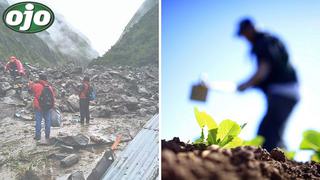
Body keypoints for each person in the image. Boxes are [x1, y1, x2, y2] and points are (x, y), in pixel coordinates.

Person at [236, 18, 299, 151]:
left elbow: (262, 72)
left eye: (244, 34)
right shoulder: (269, 40)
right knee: (274, 131)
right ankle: (283, 159)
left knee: (266, 134)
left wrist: (245, 85)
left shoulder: (262, 43)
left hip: (282, 93)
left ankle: (273, 165)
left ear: (249, 29)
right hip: (288, 92)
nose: (245, 38)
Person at [29, 74, 55, 141]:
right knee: (48, 121)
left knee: (38, 121)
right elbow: (53, 98)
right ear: (46, 79)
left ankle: (38, 137)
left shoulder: (36, 85)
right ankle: (47, 135)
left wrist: (31, 83)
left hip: (38, 106)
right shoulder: (49, 87)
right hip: (48, 107)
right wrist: (52, 106)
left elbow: (30, 90)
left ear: (39, 79)